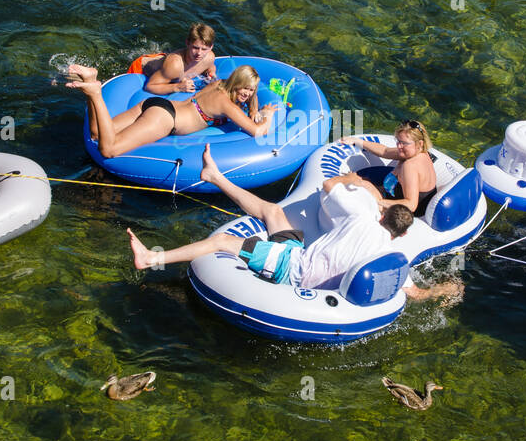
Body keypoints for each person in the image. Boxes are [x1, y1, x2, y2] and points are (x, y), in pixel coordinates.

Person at [125, 145, 463, 302]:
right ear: (402, 233)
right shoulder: (391, 260)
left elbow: (328, 187)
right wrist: (445, 290)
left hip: (292, 270)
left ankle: (151, 259)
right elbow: (416, 294)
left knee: (221, 243)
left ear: (381, 215)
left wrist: (355, 181)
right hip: (297, 255)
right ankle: (214, 175)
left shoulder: (362, 215)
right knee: (273, 211)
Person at [67, 63, 277, 158]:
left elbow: (251, 96)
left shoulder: (220, 84)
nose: (247, 94)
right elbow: (258, 131)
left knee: (96, 133)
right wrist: (267, 115)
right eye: (245, 88)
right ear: (236, 83)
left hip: (153, 104)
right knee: (109, 149)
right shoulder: (228, 106)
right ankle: (95, 92)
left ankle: (91, 81)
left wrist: (253, 106)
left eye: (251, 90)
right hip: (165, 119)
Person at [341, 120, 440, 218]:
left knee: (358, 182)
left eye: (404, 143)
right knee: (359, 181)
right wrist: (357, 141)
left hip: (406, 212)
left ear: (420, 143)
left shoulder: (410, 166)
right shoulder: (419, 152)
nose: (399, 146)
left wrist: (378, 201)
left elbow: (411, 205)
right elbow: (385, 151)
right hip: (401, 196)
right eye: (398, 141)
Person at [129, 23, 218, 95]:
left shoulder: (209, 57)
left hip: (165, 63)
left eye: (204, 49)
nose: (199, 53)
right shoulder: (175, 66)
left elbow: (210, 66)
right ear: (187, 43)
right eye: (195, 48)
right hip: (141, 66)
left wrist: (211, 73)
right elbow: (149, 86)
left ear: (211, 47)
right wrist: (178, 87)